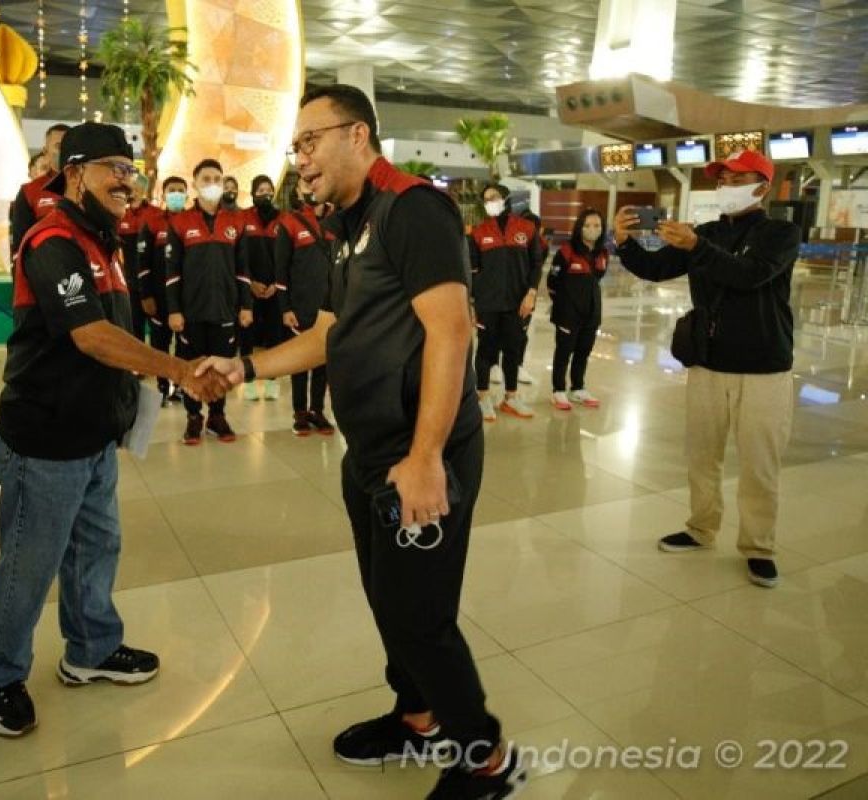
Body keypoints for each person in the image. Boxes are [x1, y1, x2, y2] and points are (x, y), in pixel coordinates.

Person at [197, 84, 524, 800]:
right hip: (371, 453)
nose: (300, 160)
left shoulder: (412, 208)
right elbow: (324, 335)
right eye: (296, 148)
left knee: (421, 615)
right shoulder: (348, 225)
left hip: (421, 453)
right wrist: (244, 366)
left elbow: (451, 331)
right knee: (388, 601)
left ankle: (486, 761)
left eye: (310, 142)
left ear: (357, 135)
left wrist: (426, 457)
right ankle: (417, 717)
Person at [0, 122, 227, 738]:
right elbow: (90, 336)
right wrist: (178, 371)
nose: (127, 179)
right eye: (113, 167)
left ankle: (89, 650)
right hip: (45, 439)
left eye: (130, 168)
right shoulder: (54, 240)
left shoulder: (102, 241)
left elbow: (117, 330)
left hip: (92, 435)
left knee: (96, 549)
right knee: (30, 563)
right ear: (76, 173)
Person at [613, 149, 798, 589]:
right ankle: (701, 527)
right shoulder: (708, 232)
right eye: (721, 179)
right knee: (702, 455)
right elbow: (657, 269)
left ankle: (758, 546)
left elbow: (750, 274)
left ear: (763, 186)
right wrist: (623, 243)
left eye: (737, 178)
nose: (726, 186)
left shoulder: (781, 233)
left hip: (765, 368)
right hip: (708, 363)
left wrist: (697, 246)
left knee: (759, 463)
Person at [164, 159, 252, 444]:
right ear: (195, 183)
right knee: (193, 366)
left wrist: (246, 305)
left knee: (221, 366)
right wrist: (175, 310)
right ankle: (193, 416)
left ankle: (217, 415)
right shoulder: (179, 223)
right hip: (190, 312)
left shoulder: (236, 222)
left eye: (217, 178)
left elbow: (243, 270)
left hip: (225, 309)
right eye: (206, 179)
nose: (212, 184)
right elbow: (171, 273)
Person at [468, 182, 542, 421]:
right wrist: (471, 304)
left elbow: (536, 265)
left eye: (495, 197)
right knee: (485, 351)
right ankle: (483, 396)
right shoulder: (478, 232)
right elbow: (472, 271)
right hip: (487, 304)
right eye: (487, 198)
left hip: (516, 303)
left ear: (507, 198)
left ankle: (511, 397)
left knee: (512, 350)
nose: (491, 201)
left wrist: (531, 294)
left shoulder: (527, 229)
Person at [274, 180, 335, 436]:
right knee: (299, 363)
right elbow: (281, 270)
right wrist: (285, 307)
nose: (310, 189)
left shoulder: (337, 220)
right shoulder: (289, 222)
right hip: (299, 306)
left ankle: (317, 410)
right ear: (297, 192)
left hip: (330, 307)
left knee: (323, 360)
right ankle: (299, 412)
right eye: (305, 186)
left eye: (314, 183)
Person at [547, 208, 607, 410]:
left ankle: (578, 388)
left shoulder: (602, 253)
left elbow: (596, 280)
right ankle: (558, 391)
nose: (593, 229)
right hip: (568, 313)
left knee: (583, 352)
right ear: (580, 228)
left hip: (592, 313)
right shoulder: (567, 250)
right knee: (564, 352)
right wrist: (565, 305)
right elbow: (552, 282)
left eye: (597, 225)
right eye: (588, 225)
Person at [140, 175, 190, 404]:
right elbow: (143, 264)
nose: (177, 194)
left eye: (181, 190)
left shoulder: (193, 222)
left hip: (187, 299)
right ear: (164, 193)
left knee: (185, 344)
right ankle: (162, 387)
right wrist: (146, 295)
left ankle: (181, 386)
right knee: (160, 344)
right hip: (158, 298)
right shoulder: (152, 222)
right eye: (173, 190)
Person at [237, 174, 284, 400]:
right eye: (261, 190)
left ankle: (272, 382)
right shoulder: (244, 217)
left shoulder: (282, 218)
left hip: (275, 289)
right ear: (253, 192)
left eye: (269, 189)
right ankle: (248, 382)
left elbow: (286, 256)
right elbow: (240, 256)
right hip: (250, 288)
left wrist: (277, 282)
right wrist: (250, 282)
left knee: (274, 336)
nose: (265, 193)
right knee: (247, 336)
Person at [10, 123, 71, 260]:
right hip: (43, 269)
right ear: (45, 152)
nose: (64, 151)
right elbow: (20, 245)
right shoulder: (30, 191)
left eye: (69, 146)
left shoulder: (88, 187)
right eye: (58, 146)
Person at [117, 175, 158, 341]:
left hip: (153, 281)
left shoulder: (156, 214)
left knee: (157, 331)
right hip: (130, 283)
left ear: (142, 189)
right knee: (134, 330)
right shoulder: (120, 215)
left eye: (132, 187)